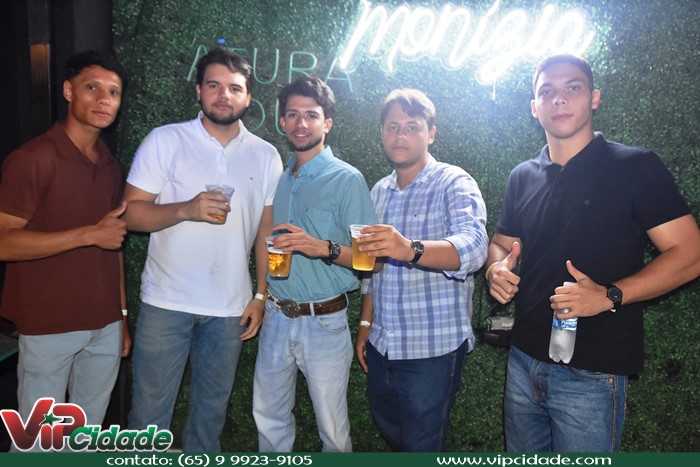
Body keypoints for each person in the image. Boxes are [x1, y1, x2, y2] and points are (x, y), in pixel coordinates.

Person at [485, 54, 700, 452]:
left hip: (593, 372)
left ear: (594, 97)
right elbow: (500, 242)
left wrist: (609, 295)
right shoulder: (522, 176)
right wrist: (495, 267)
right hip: (522, 360)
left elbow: (690, 253)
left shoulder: (635, 166)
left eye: (573, 87)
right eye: (546, 92)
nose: (559, 99)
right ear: (534, 107)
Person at [122, 48, 283, 452]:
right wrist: (186, 209)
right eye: (214, 85)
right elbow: (131, 215)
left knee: (210, 420)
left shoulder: (266, 155)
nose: (224, 95)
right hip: (166, 302)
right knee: (147, 419)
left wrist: (261, 295)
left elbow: (266, 233)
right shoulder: (165, 140)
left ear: (248, 98)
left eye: (235, 88)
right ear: (198, 90)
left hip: (229, 309)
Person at [0, 50, 131, 451]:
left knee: (84, 439)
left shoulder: (109, 164)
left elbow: (114, 243)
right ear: (69, 91)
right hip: (48, 325)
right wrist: (87, 234)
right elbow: (4, 241)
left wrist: (122, 317)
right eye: (93, 87)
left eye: (113, 92)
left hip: (105, 325)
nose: (104, 99)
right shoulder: (33, 159)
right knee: (38, 443)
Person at [354, 88, 488, 451]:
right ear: (382, 133)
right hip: (382, 344)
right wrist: (365, 325)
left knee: (422, 446)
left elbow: (475, 247)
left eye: (412, 126)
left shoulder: (454, 181)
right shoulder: (378, 191)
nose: (400, 135)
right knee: (394, 436)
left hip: (432, 348)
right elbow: (372, 271)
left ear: (431, 133)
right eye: (392, 126)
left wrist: (409, 249)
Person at [252, 76, 377, 452]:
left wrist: (320, 247)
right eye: (292, 114)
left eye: (311, 115)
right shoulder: (281, 178)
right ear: (282, 122)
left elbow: (371, 261)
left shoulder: (347, 179)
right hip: (276, 315)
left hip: (324, 322)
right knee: (269, 419)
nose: (301, 123)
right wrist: (261, 296)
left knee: (333, 431)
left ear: (327, 123)